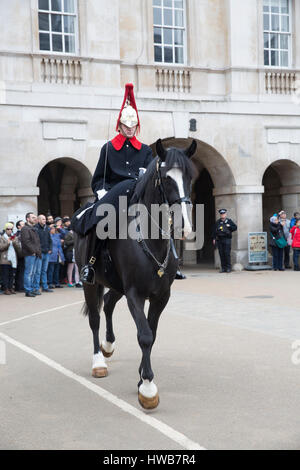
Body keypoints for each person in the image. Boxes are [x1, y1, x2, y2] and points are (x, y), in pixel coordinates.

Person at [72, 83, 153, 284]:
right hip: (112, 196)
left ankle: (171, 262)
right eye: (126, 126)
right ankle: (90, 265)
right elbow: (98, 177)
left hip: (138, 195)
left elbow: (150, 176)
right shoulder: (108, 148)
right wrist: (101, 193)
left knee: (163, 217)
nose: (130, 129)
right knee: (98, 220)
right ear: (119, 125)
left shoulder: (145, 150)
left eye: (133, 126)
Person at [20, 212, 42, 297]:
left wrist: (37, 252)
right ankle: (28, 290)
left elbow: (37, 242)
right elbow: (26, 242)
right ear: (27, 219)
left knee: (33, 273)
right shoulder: (25, 229)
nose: (35, 219)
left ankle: (32, 289)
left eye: (35, 217)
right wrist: (33, 251)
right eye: (33, 217)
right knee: (29, 273)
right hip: (30, 254)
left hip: (36, 253)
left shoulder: (33, 228)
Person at [33, 215, 53, 294]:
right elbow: (35, 241)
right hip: (39, 253)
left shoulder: (47, 228)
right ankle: (36, 288)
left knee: (44, 271)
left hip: (47, 252)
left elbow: (50, 240)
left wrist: (50, 249)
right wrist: (38, 250)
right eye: (43, 219)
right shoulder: (35, 228)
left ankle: (45, 287)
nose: (45, 220)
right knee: (38, 271)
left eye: (45, 219)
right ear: (38, 220)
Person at [213, 209, 237, 273]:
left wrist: (229, 226)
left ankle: (228, 268)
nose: (222, 215)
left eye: (223, 214)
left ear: (225, 214)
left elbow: (235, 228)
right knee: (221, 254)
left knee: (227, 254)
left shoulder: (229, 221)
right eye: (221, 214)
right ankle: (223, 268)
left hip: (227, 239)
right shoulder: (218, 222)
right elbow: (214, 231)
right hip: (220, 240)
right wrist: (214, 238)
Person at [0, 223, 21, 295]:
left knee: (12, 275)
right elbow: (1, 248)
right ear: (5, 230)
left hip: (13, 259)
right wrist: (8, 243)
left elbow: (19, 249)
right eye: (8, 229)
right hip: (4, 259)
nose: (10, 230)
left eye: (11, 229)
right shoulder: (2, 237)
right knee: (5, 275)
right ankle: (6, 288)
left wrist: (14, 242)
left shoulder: (14, 237)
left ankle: (11, 288)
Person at [47, 224, 65, 288]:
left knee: (57, 270)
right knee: (51, 270)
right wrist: (49, 227)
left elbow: (64, 233)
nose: (53, 230)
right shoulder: (48, 235)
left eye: (54, 229)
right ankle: (50, 283)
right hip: (51, 255)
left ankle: (57, 282)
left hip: (58, 255)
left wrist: (59, 228)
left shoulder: (57, 235)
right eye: (52, 229)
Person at [15, 220, 25, 292]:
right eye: (22, 224)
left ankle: (20, 286)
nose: (24, 225)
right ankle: (20, 287)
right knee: (20, 271)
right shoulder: (16, 234)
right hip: (19, 255)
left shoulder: (24, 233)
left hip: (23, 254)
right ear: (18, 226)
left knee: (22, 271)